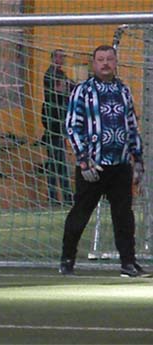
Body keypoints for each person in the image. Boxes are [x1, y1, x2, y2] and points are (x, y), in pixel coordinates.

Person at [60, 44, 146, 277]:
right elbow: (72, 126)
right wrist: (83, 159)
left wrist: (138, 161)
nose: (105, 63)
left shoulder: (124, 91)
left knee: (124, 216)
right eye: (100, 59)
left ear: (116, 62)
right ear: (94, 63)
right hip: (93, 167)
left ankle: (128, 263)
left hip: (120, 166)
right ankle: (67, 259)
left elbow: (132, 126)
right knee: (80, 214)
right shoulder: (82, 91)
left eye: (109, 59)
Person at [41, 49, 75, 206]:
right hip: (53, 122)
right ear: (54, 58)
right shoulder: (51, 74)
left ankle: (57, 198)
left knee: (57, 163)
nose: (63, 59)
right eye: (60, 56)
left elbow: (68, 88)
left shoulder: (60, 74)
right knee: (58, 163)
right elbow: (62, 89)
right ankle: (61, 198)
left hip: (58, 122)